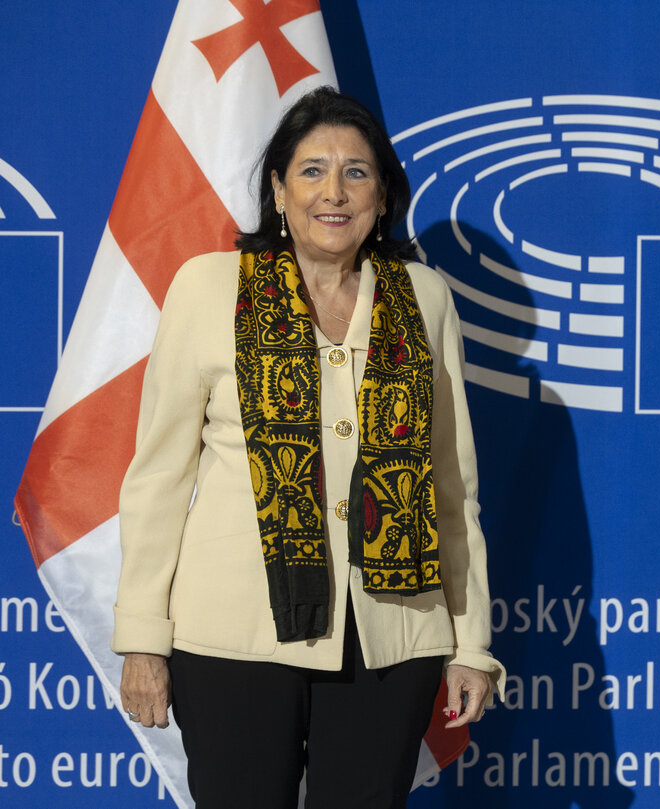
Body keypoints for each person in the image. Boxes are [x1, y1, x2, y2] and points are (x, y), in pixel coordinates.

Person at [111, 87, 504, 809]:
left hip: (392, 637)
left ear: (383, 196)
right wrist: (143, 636)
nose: (335, 191)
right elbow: (158, 478)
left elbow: (451, 489)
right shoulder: (208, 288)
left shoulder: (424, 297)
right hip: (232, 638)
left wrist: (471, 641)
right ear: (278, 189)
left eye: (357, 172)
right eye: (312, 170)